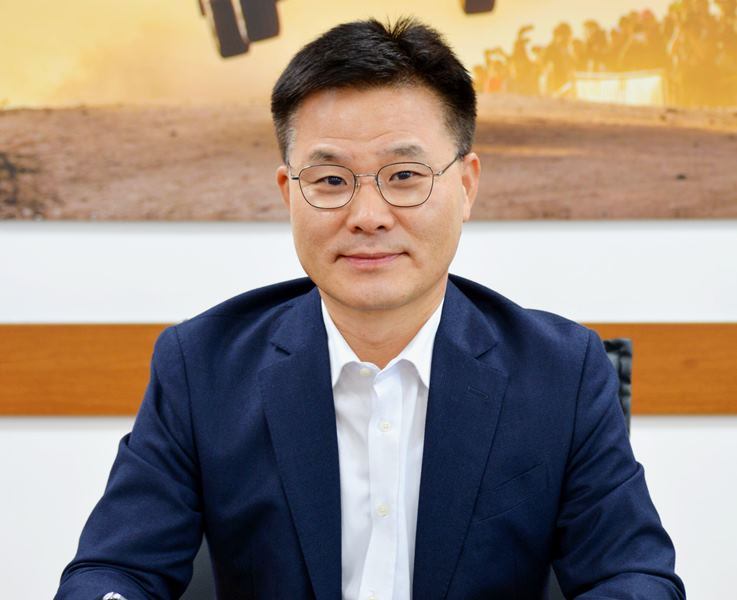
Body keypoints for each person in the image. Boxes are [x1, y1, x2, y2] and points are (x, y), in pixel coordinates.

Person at [55, 18, 685, 600]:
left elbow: (633, 576)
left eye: (404, 176)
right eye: (331, 181)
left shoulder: (562, 373)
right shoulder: (202, 368)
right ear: (289, 193)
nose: (367, 216)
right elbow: (116, 570)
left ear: (466, 186)